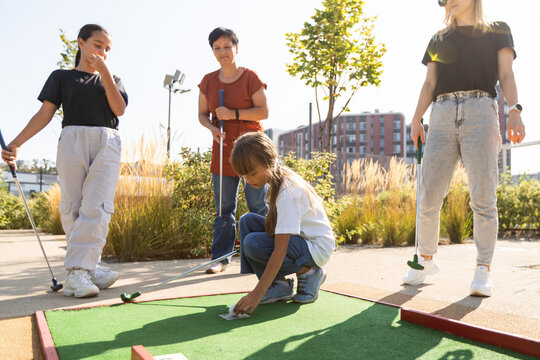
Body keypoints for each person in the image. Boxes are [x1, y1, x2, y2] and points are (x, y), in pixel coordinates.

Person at [403, 0, 525, 297]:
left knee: (483, 197)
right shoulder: (439, 38)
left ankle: (483, 269)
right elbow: (429, 83)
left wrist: (515, 110)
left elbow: (506, 75)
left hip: (481, 111)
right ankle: (426, 259)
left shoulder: (498, 31)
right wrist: (417, 118)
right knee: (429, 194)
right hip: (441, 115)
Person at [1, 24, 128, 298]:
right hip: (72, 138)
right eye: (97, 45)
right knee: (73, 206)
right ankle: (86, 269)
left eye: (107, 48)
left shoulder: (113, 79)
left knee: (98, 204)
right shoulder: (61, 77)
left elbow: (119, 109)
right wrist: (16, 142)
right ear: (80, 43)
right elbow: (44, 114)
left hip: (107, 140)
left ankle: (80, 271)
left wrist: (104, 71)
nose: (102, 52)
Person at [229, 132, 335, 315]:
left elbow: (281, 249)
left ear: (269, 162)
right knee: (248, 221)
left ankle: (310, 273)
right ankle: (280, 285)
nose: (249, 180)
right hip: (300, 241)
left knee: (252, 243)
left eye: (253, 173)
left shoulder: (288, 193)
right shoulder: (274, 180)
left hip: (316, 248)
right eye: (244, 176)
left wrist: (257, 294)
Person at [198, 27, 269, 274]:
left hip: (252, 152)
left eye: (227, 46)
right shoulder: (208, 81)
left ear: (236, 48)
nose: (222, 52)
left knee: (258, 206)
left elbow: (263, 112)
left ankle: (265, 255)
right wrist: (212, 129)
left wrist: (233, 114)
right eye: (217, 48)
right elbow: (202, 115)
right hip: (223, 151)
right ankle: (220, 259)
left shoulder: (250, 78)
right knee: (223, 209)